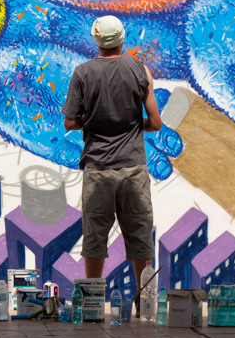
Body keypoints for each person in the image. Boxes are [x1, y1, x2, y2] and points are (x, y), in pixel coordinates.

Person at [61, 16, 162, 286]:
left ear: (96, 39)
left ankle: (93, 299)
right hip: (133, 168)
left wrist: (94, 121)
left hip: (97, 169)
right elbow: (155, 123)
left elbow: (69, 122)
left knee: (95, 239)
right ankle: (144, 299)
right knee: (140, 238)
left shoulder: (82, 73)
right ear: (122, 39)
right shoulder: (140, 71)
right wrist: (132, 124)